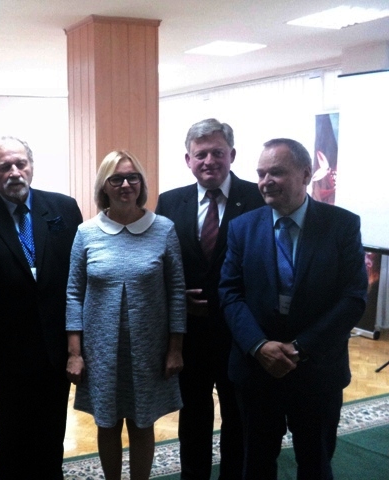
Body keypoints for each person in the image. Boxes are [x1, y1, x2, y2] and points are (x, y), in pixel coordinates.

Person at [219, 138, 367, 479]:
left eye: (276, 172)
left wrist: (301, 347)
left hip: (317, 370)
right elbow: (229, 293)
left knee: (315, 463)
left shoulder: (341, 225)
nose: (265, 181)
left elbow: (353, 297)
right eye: (261, 174)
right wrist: (259, 346)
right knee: (256, 464)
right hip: (257, 370)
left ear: (305, 174)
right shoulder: (242, 227)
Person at [0, 136, 82, 479]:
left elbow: (78, 278)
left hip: (56, 345)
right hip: (5, 352)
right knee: (12, 433)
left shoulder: (64, 208)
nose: (14, 172)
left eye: (20, 164)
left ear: (31, 166)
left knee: (52, 430)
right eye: (4, 167)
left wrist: (78, 345)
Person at [66, 150, 187, 480]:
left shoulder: (163, 229)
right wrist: (75, 353)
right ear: (104, 186)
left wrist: (175, 349)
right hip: (100, 352)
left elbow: (177, 293)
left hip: (149, 350)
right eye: (116, 178)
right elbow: (74, 294)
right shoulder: (86, 233)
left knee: (142, 422)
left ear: (141, 184)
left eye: (133, 177)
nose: (125, 184)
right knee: (107, 423)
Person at [155, 118, 263, 479]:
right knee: (193, 414)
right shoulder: (170, 201)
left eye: (218, 152)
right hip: (191, 333)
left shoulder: (259, 199)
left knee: (238, 414)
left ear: (232, 154)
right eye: (201, 154)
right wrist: (174, 298)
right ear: (188, 159)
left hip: (240, 332)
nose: (209, 161)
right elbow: (159, 262)